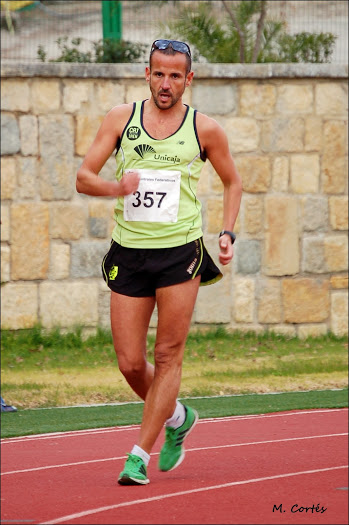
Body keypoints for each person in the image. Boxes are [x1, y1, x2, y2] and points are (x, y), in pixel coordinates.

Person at [76, 39, 242, 486]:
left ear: (189, 79)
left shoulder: (204, 130)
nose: (165, 83)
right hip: (129, 252)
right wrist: (118, 188)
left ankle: (137, 456)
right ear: (146, 74)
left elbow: (232, 181)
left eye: (175, 76)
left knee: (167, 355)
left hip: (180, 252)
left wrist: (226, 232)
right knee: (130, 362)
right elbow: (84, 178)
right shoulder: (121, 119)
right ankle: (178, 417)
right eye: (158, 73)